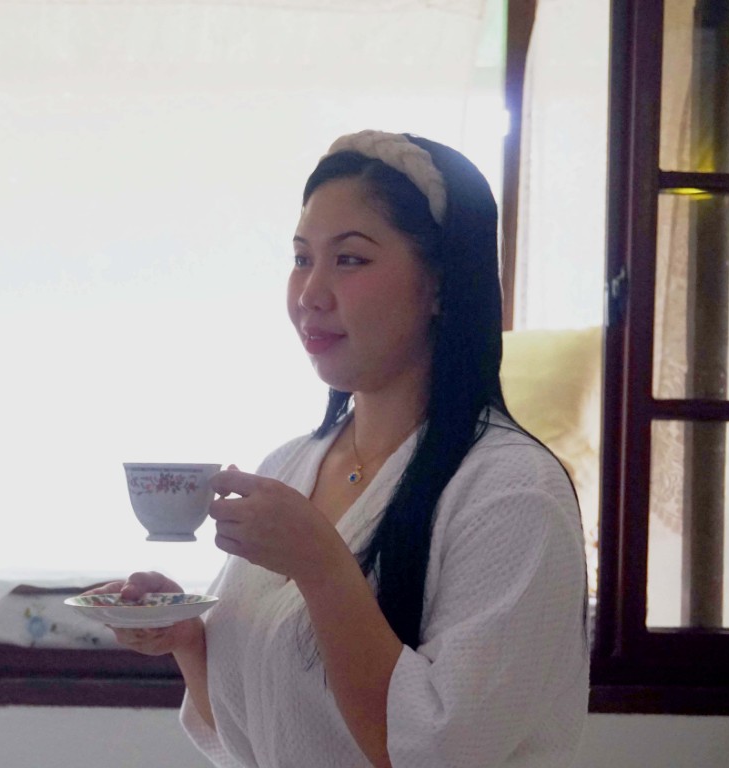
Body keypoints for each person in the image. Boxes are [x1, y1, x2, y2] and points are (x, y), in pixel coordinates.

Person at [91, 130, 589, 767]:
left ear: (438, 284)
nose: (310, 294)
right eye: (302, 259)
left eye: (349, 260)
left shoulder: (512, 493)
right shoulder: (291, 466)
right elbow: (257, 735)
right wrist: (189, 640)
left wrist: (324, 567)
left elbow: (437, 751)